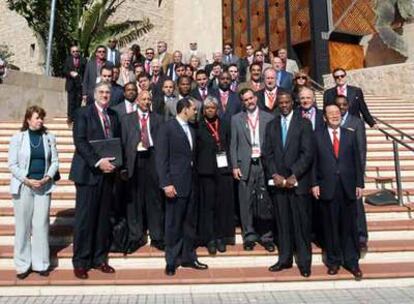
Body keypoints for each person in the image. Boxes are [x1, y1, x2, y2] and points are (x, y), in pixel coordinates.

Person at [70, 82, 120, 279]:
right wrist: (98, 162)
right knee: (85, 220)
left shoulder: (113, 115)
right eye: (101, 92)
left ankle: (99, 259)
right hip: (88, 174)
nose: (105, 95)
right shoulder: (83, 113)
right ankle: (81, 261)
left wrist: (117, 164)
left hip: (108, 175)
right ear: (94, 94)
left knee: (102, 220)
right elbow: (80, 141)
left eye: (108, 92)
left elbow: (116, 142)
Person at [263, 92, 314, 277]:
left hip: (297, 183)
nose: (284, 105)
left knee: (301, 225)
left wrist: (294, 174)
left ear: (293, 102)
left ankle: (304, 262)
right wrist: (275, 174)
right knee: (282, 224)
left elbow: (307, 153)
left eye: (287, 102)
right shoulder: (271, 125)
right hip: (278, 184)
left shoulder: (304, 124)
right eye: (281, 102)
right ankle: (284, 259)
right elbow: (267, 153)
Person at [156, 97, 208, 276]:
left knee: (189, 223)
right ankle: (171, 260)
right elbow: (161, 159)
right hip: (175, 185)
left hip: (191, 184)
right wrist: (166, 183)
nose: (196, 112)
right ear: (184, 109)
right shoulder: (167, 128)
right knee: (173, 224)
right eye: (194, 108)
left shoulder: (192, 129)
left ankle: (189, 257)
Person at [311, 103, 364, 281]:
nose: (335, 115)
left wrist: (359, 183)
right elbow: (314, 163)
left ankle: (352, 262)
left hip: (348, 187)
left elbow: (357, 161)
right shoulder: (317, 136)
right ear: (324, 117)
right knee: (331, 225)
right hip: (327, 186)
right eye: (330, 113)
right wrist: (314, 183)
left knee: (349, 226)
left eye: (337, 112)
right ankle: (333, 261)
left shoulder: (350, 134)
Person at [8, 106, 59, 280]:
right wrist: (27, 179)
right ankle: (23, 264)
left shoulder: (49, 137)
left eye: (42, 118)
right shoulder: (18, 138)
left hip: (43, 187)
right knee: (23, 226)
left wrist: (47, 177)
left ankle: (41, 263)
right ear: (28, 119)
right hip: (24, 186)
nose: (40, 121)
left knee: (41, 225)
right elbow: (12, 165)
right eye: (37, 118)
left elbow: (55, 161)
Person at [230, 88, 274, 252]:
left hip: (263, 165)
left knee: (264, 202)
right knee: (245, 202)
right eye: (246, 100)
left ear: (256, 98)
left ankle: (266, 236)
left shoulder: (268, 118)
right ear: (243, 102)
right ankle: (249, 235)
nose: (249, 102)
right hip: (245, 166)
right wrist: (234, 166)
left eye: (251, 98)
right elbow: (232, 145)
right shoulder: (236, 119)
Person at [121, 90, 165, 252]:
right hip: (134, 160)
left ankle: (157, 236)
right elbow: (123, 143)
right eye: (143, 99)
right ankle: (136, 236)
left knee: (154, 199)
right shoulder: (127, 119)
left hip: (152, 159)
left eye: (149, 99)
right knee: (134, 200)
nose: (146, 102)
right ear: (137, 101)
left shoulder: (159, 119)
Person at [196, 96, 235, 254]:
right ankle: (209, 238)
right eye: (207, 108)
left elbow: (230, 143)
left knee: (222, 205)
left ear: (217, 109)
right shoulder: (198, 126)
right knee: (208, 206)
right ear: (203, 110)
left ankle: (221, 237)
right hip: (205, 172)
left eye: (213, 108)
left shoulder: (224, 124)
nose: (210, 110)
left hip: (223, 170)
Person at [336, 95, 368, 250]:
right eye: (338, 105)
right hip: (336, 174)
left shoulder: (356, 122)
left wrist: (359, 177)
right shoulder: (329, 121)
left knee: (357, 206)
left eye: (344, 104)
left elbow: (361, 151)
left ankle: (361, 236)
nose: (341, 107)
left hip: (352, 173)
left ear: (348, 106)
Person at [63, 45, 86, 123]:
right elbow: (64, 71)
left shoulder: (83, 60)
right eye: (73, 51)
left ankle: (76, 117)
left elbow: (85, 72)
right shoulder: (68, 60)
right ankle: (70, 117)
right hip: (71, 84)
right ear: (71, 52)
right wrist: (70, 73)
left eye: (77, 51)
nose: (75, 53)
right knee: (71, 101)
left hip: (79, 84)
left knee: (78, 101)